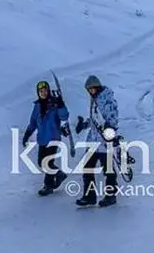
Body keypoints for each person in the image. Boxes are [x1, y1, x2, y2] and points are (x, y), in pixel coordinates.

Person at [74, 74, 119, 207]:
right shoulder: (95, 100)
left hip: (105, 142)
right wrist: (84, 125)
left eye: (93, 88)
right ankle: (89, 196)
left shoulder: (107, 99)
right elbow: (94, 120)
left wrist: (110, 130)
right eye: (89, 89)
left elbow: (113, 118)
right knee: (87, 168)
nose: (91, 91)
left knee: (108, 170)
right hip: (93, 141)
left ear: (98, 87)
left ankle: (111, 196)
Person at [22, 80, 69, 195]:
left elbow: (64, 116)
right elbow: (33, 122)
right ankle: (58, 174)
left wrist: (61, 105)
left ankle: (48, 186)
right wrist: (27, 134)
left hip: (53, 137)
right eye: (40, 91)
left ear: (48, 91)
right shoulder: (37, 106)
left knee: (46, 163)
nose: (43, 93)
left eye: (45, 91)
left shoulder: (54, 104)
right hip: (42, 139)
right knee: (41, 162)